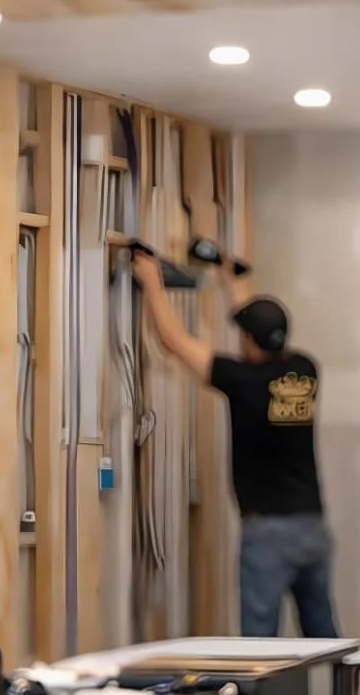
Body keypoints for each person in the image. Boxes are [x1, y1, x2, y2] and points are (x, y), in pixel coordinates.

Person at [133, 247, 339, 639]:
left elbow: (173, 341)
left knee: (261, 645)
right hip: (312, 527)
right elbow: (260, 332)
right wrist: (233, 279)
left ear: (247, 339)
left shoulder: (241, 380)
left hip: (268, 535)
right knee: (324, 634)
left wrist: (151, 283)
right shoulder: (304, 369)